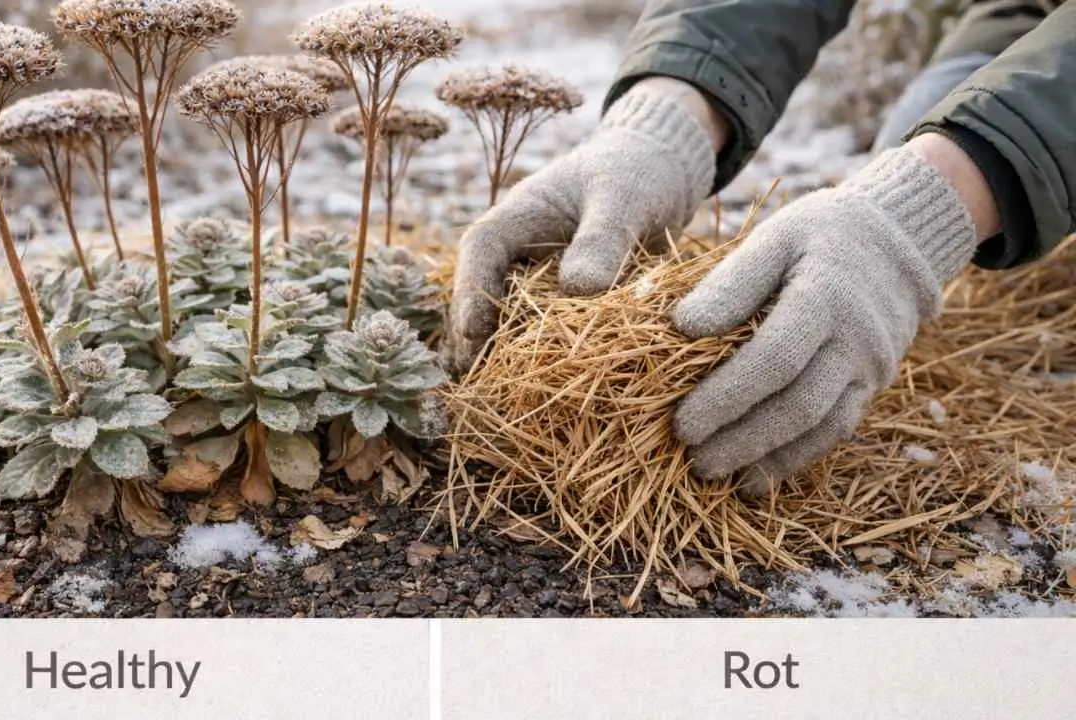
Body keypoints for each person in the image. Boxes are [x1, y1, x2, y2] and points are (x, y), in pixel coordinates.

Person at [445, 0, 1074, 495]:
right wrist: (666, 119)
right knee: (917, 135)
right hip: (1024, 17)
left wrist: (936, 203)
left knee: (974, 185)